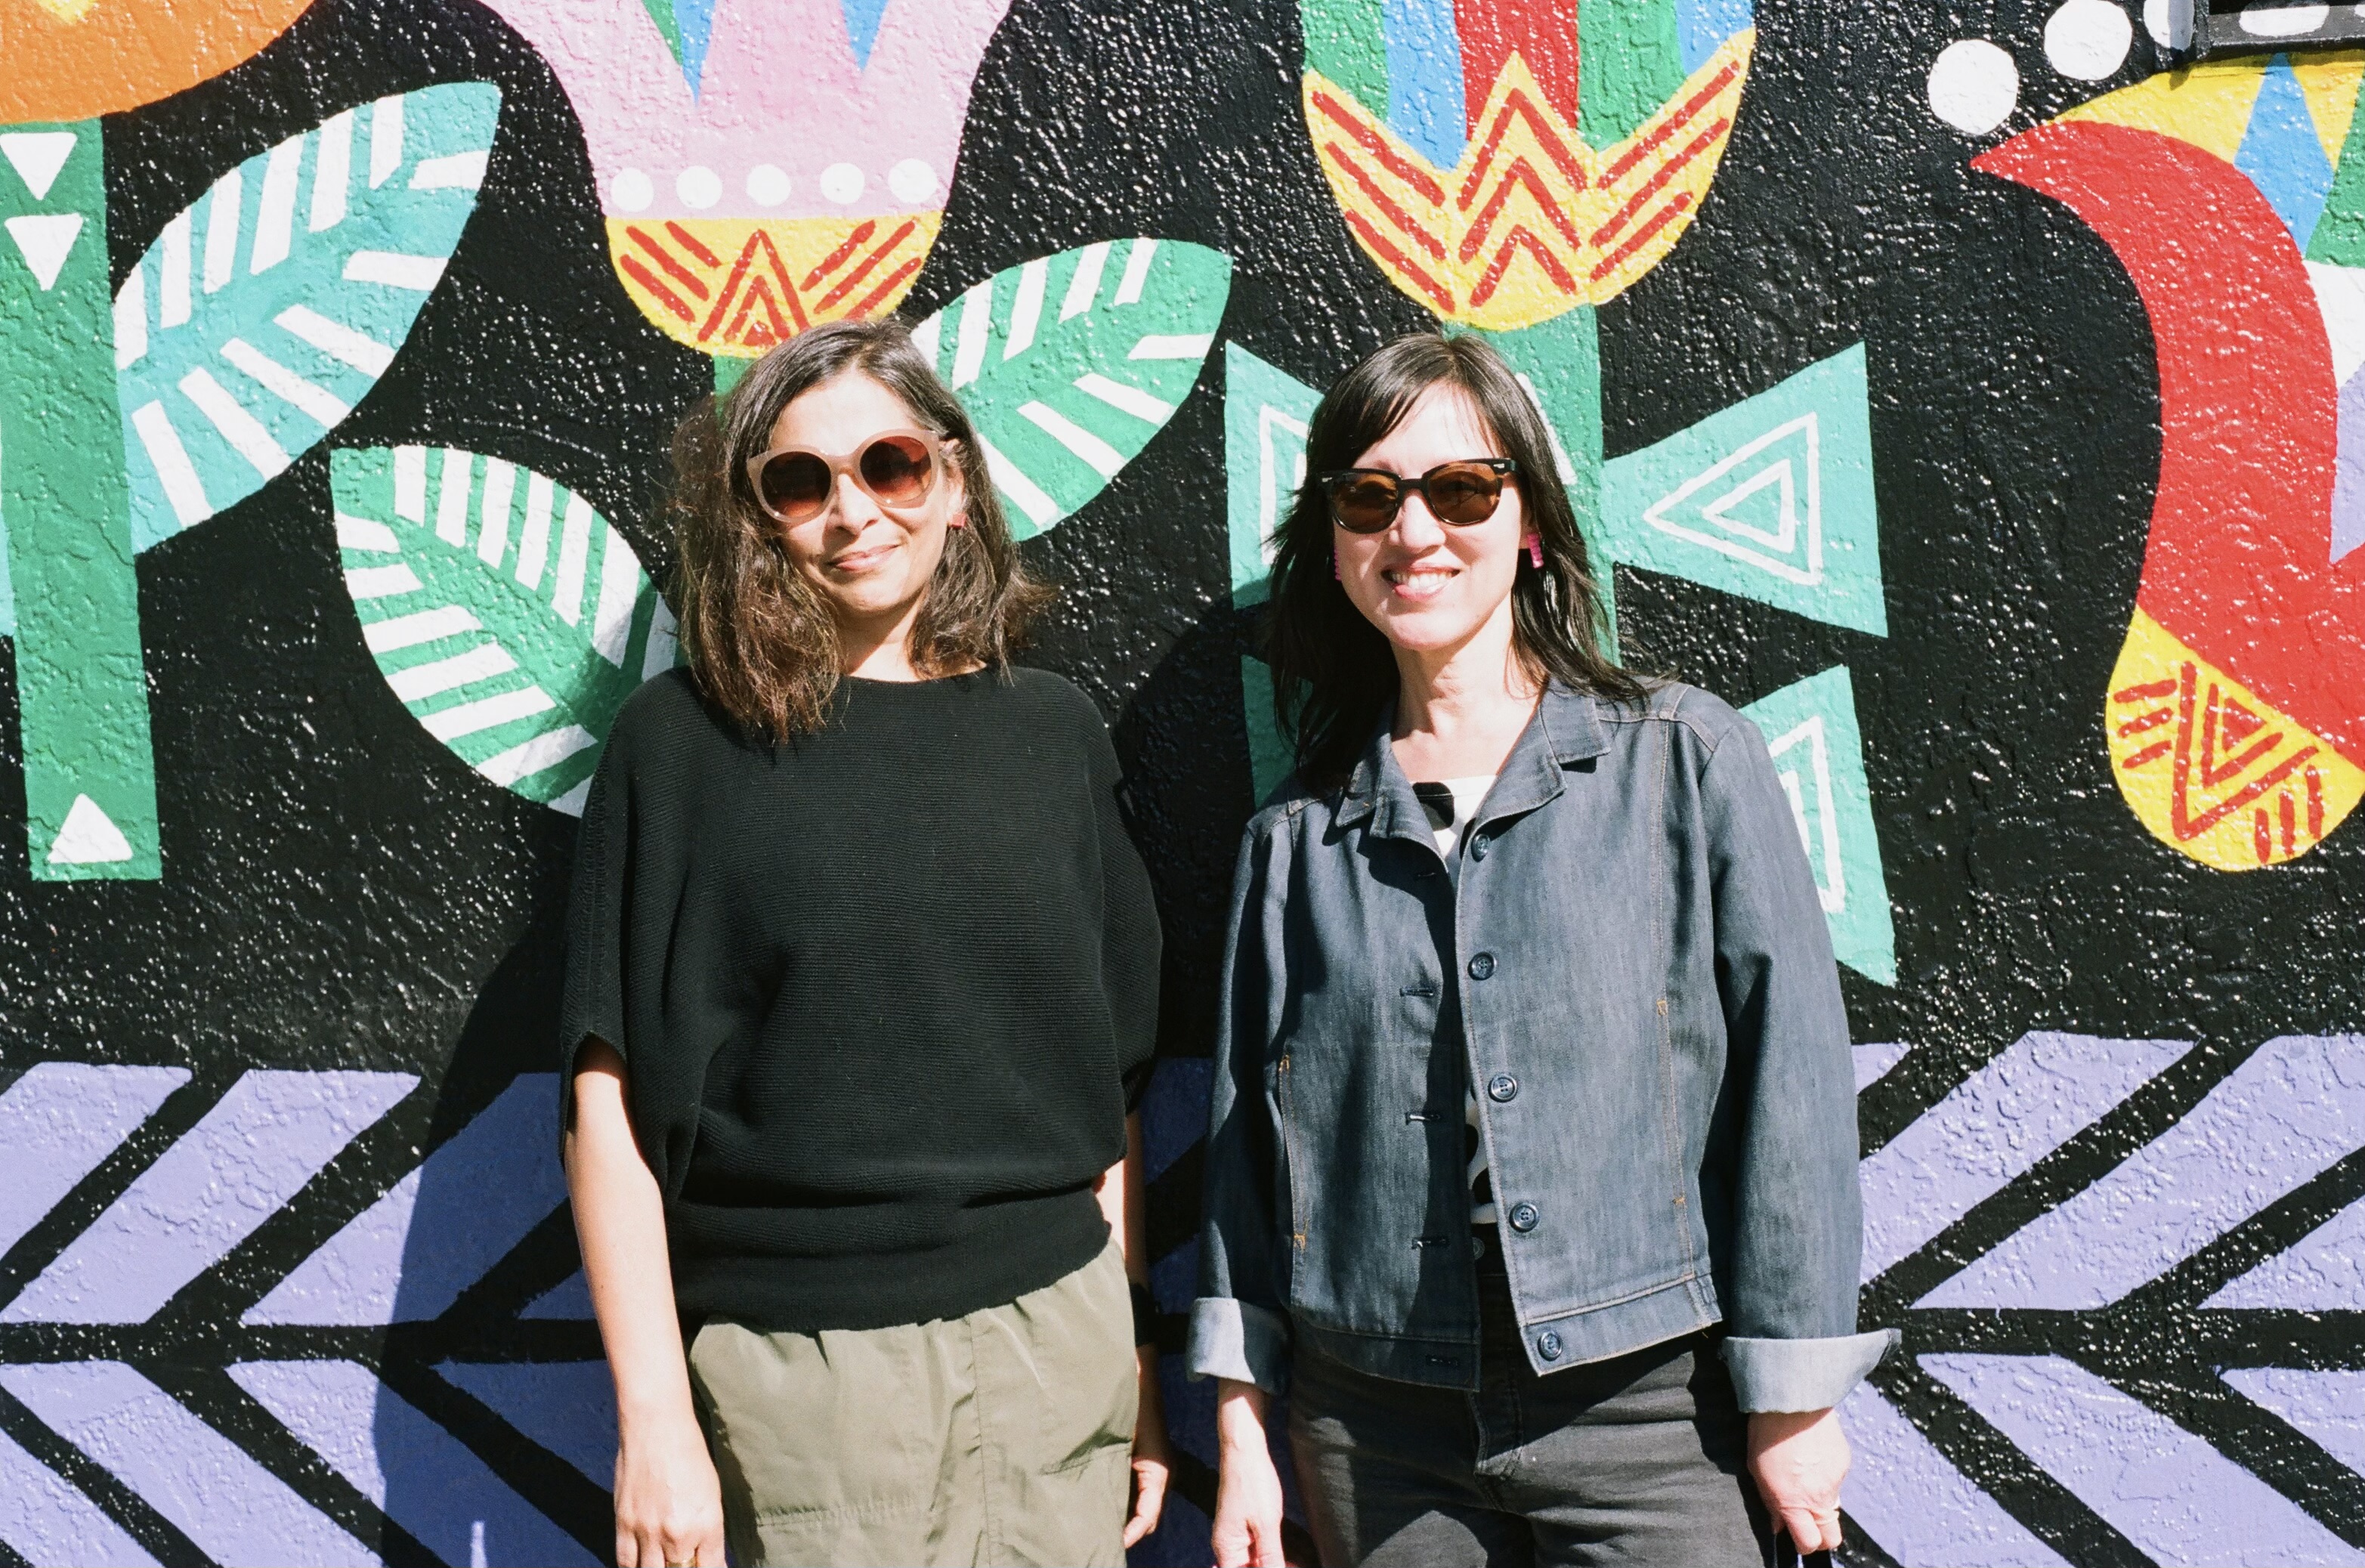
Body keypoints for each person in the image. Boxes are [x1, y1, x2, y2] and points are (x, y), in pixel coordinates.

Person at [1192, 331, 1894, 1567]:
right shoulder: (1295, 842)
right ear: (1336, 543)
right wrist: (1245, 1427)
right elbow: (1251, 1153)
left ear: (1527, 525)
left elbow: (1787, 1088)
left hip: (1652, 1414)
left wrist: (1792, 1400)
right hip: (1374, 1427)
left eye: (1462, 489)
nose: (1414, 530)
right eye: (1369, 497)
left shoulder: (1684, 762)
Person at [561, 317, 1170, 1568]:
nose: (853, 512)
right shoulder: (681, 745)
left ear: (954, 481)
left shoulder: (1054, 736)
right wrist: (653, 1419)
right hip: (810, 1382)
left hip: (1060, 1349)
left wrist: (1136, 1359)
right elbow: (606, 1096)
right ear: (759, 521)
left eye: (890, 465)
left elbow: (1108, 1092)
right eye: (801, 482)